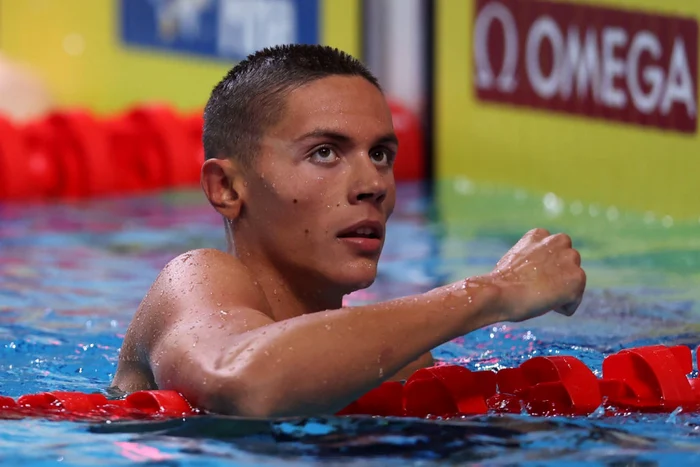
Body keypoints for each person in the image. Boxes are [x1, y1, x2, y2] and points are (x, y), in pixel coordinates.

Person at [111, 44, 586, 418]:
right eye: (325, 153)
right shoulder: (194, 280)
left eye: (381, 155)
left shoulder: (395, 364)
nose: (372, 185)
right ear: (227, 188)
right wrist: (493, 293)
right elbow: (246, 382)